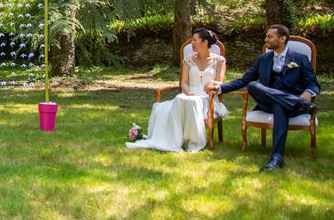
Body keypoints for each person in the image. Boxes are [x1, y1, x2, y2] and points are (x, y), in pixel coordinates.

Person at [207, 24, 320, 171]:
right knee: (253, 85)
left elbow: (314, 83)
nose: (266, 39)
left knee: (279, 105)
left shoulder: (300, 58)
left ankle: (277, 158)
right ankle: (299, 103)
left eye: (270, 37)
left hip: (289, 106)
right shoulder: (263, 59)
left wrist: (309, 92)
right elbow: (244, 81)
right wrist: (220, 88)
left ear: (282, 38)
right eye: (266, 36)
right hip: (279, 103)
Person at [126, 28, 227, 152]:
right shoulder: (188, 59)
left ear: (205, 42)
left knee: (192, 102)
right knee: (179, 99)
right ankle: (176, 140)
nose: (192, 43)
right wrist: (188, 92)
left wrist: (212, 83)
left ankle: (195, 141)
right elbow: (183, 82)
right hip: (189, 94)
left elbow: (220, 83)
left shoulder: (219, 61)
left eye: (195, 40)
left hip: (208, 97)